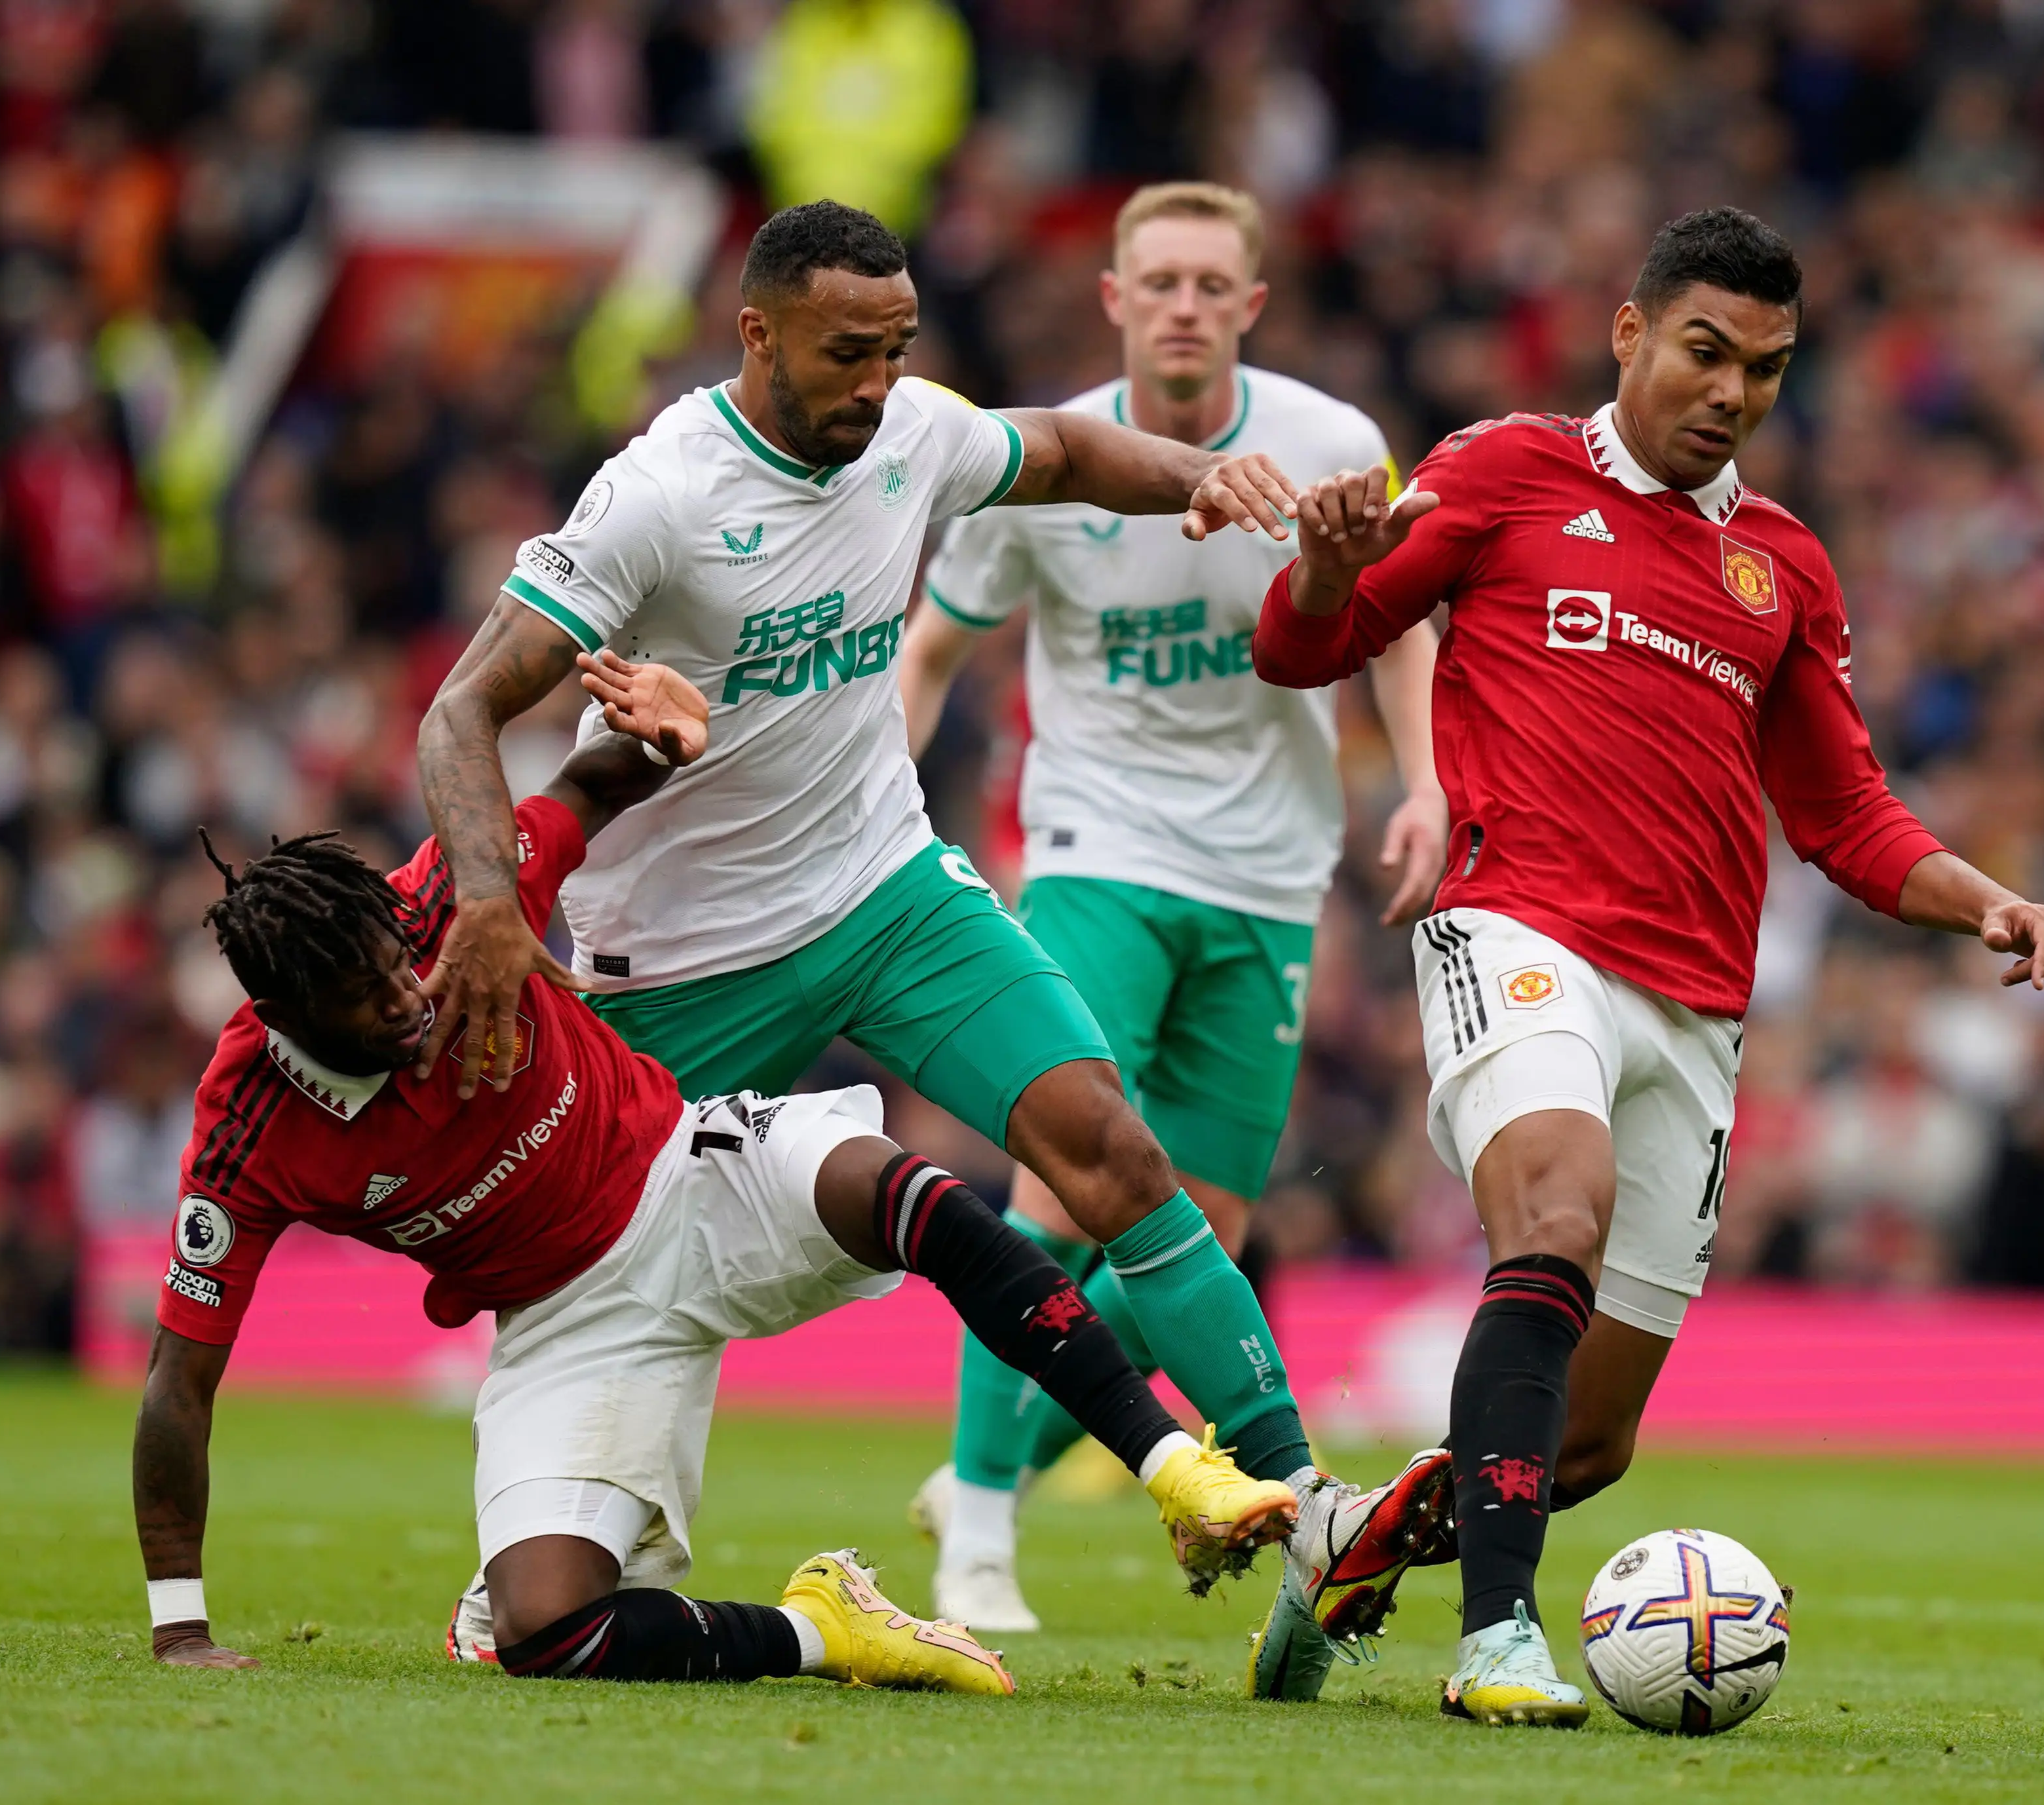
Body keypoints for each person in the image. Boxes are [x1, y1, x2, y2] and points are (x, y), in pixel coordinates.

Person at [416, 199, 1438, 1635]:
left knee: (1108, 1145)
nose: (876, 383)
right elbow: (463, 711)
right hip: (689, 955)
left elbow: (1071, 450)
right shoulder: (659, 497)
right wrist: (487, 902)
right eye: (846, 353)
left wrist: (1201, 481)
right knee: (612, 1263)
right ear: (756, 333)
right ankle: (549, 1539)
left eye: (897, 349)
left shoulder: (910, 432)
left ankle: (1307, 1507)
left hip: (887, 890)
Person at [1251, 207, 2044, 1728]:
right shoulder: (1502, 469)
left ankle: (1348, 1542)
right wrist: (1322, 572)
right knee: (1553, 1211)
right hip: (1518, 930)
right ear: (1631, 333)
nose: (1732, 392)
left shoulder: (1783, 565)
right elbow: (1304, 651)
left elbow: (1844, 811)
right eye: (1707, 352)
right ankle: (1497, 1639)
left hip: (1698, 1004)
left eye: (1767, 370)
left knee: (1584, 1448)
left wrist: (1985, 899)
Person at [132, 727, 1296, 1688]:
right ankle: (827, 1626)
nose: (405, 998)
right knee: (548, 1633)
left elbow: (586, 789)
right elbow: (181, 1381)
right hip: (566, 1317)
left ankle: (1174, 1472)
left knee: (902, 1192)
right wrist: (181, 1624)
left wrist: (665, 726)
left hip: (691, 1171)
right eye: (359, 1000)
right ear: (283, 1018)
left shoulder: (451, 901)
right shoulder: (247, 1130)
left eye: (395, 962)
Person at [894, 180, 1453, 1669]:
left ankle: (982, 1452)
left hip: (1271, 874)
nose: (1189, 304)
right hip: (1095, 853)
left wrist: (1426, 785)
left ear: (1253, 306)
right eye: (1164, 281)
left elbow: (1401, 625)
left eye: (1217, 282)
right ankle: (989, 1516)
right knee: (1064, 1190)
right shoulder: (1054, 453)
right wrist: (871, 801)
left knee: (1200, 1236)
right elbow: (936, 645)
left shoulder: (1336, 445)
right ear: (1118, 298)